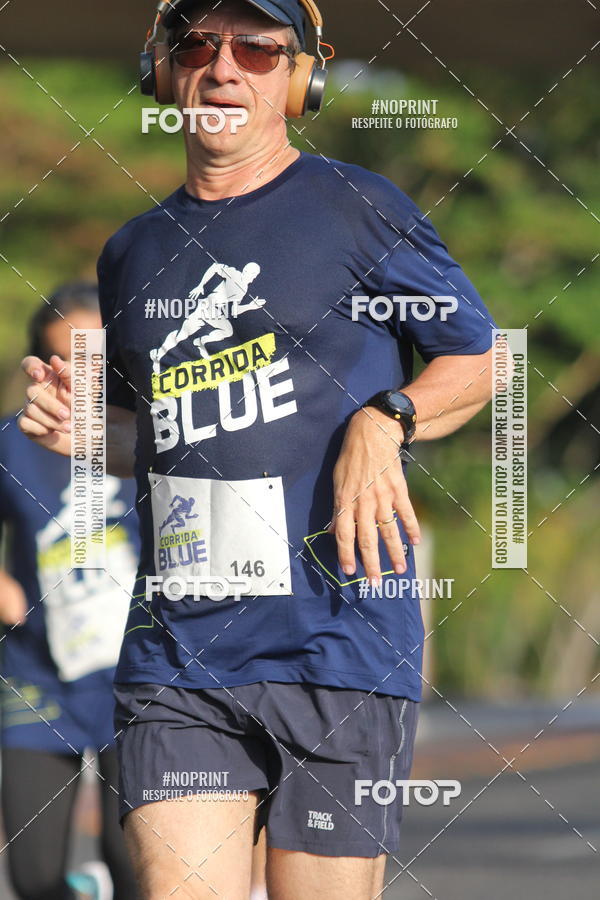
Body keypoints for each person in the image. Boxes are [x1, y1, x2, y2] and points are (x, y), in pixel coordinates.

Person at [18, 1, 497, 897]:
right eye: (198, 44)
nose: (225, 67)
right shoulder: (134, 252)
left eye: (258, 49)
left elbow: (476, 357)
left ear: (302, 76)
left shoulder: (359, 208)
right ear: (164, 70)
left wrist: (384, 418)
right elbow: (151, 438)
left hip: (338, 642)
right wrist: (92, 437)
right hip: (179, 654)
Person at [1, 284, 140, 899]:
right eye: (66, 358)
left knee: (136, 863)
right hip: (37, 677)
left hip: (139, 676)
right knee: (34, 880)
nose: (81, 376)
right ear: (40, 365)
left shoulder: (155, 434)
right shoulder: (12, 443)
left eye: (96, 359)